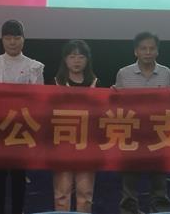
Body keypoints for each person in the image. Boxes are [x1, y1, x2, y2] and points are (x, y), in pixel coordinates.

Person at [0, 19, 44, 214]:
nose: (12, 42)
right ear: (2, 39)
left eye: (17, 38)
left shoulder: (34, 66)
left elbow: (39, 99)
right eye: (8, 38)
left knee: (19, 176)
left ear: (23, 39)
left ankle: (18, 210)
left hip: (21, 128)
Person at [114, 31, 170, 214]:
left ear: (157, 51)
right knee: (129, 186)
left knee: (159, 185)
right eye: (143, 48)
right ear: (136, 51)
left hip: (158, 135)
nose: (148, 52)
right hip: (131, 135)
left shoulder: (165, 72)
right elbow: (118, 107)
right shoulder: (124, 73)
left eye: (152, 48)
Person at [52, 39, 98, 212]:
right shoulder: (56, 82)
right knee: (61, 195)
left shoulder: (95, 83)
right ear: (65, 59)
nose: (76, 61)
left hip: (87, 145)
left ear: (87, 60)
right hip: (62, 144)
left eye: (81, 57)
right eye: (72, 56)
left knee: (85, 195)